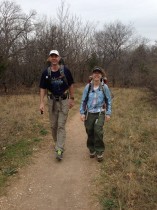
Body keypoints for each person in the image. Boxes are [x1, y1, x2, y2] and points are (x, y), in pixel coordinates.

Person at [39, 50, 75, 161]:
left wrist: (72, 99)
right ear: (49, 58)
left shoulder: (65, 70)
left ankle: (59, 149)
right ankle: (57, 143)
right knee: (53, 126)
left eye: (55, 56)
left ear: (58, 58)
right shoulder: (46, 73)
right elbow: (42, 88)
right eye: (52, 56)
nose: (54, 58)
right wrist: (41, 102)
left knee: (60, 125)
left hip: (64, 101)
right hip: (52, 101)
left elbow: (71, 84)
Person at [80, 66, 112, 162]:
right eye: (95, 73)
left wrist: (108, 113)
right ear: (92, 75)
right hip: (89, 113)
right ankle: (91, 148)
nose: (97, 74)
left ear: (101, 75)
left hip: (100, 112)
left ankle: (99, 151)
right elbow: (83, 101)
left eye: (99, 73)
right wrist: (82, 113)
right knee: (89, 131)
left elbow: (108, 100)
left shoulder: (104, 87)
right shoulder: (88, 86)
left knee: (98, 130)